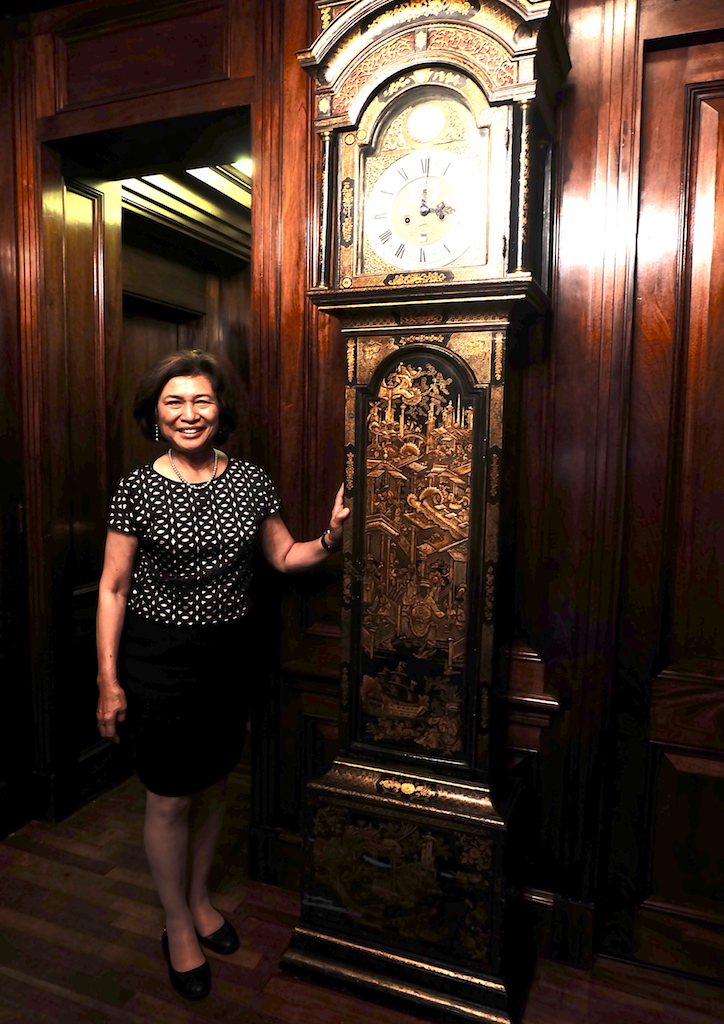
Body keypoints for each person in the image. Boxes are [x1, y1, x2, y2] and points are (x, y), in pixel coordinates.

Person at [95, 349, 348, 1000]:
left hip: (228, 657)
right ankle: (177, 922)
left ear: (219, 410)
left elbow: (285, 555)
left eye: (201, 400)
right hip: (156, 658)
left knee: (212, 784)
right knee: (170, 794)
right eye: (174, 401)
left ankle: (202, 900)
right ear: (156, 414)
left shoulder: (251, 481)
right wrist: (108, 680)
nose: (189, 413)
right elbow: (115, 587)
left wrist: (333, 536)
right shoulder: (137, 488)